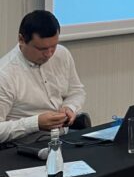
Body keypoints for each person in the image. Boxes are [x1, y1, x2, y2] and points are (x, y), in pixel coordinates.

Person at [0, 9, 87, 144]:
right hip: (23, 145)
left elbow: (76, 91)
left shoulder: (62, 54)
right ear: (21, 40)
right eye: (42, 49)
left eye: (53, 46)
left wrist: (69, 107)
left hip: (63, 137)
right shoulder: (5, 74)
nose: (49, 54)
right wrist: (35, 123)